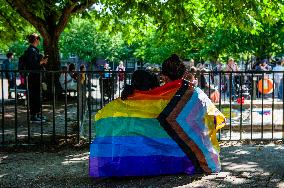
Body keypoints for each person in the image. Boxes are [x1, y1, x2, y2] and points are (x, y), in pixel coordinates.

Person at [89, 54, 225, 178]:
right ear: (184, 73)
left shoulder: (156, 98)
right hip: (191, 154)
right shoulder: (195, 94)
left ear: (165, 77)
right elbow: (211, 117)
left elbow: (107, 113)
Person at [25, 33, 48, 123]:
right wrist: (41, 62)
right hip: (33, 77)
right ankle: (33, 115)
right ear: (35, 40)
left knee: (37, 95)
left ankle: (37, 114)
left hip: (36, 76)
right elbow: (32, 65)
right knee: (34, 96)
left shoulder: (34, 50)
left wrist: (42, 62)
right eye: (38, 39)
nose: (39, 41)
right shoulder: (31, 50)